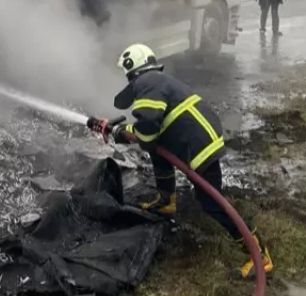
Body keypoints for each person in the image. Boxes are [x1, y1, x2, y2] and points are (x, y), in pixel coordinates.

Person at [96, 43, 274, 279]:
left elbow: (146, 132)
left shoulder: (146, 83)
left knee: (211, 200)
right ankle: (166, 200)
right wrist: (123, 130)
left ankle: (259, 255)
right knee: (158, 150)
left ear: (132, 70)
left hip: (199, 143)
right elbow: (150, 136)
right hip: (197, 136)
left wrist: (121, 132)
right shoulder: (156, 80)